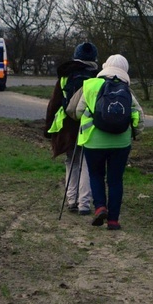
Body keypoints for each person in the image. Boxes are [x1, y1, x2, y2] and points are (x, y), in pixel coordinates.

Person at [67, 55, 144, 231]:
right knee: (115, 180)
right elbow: (139, 117)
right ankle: (113, 221)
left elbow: (76, 112)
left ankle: (100, 207)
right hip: (121, 143)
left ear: (104, 67)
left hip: (94, 142)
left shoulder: (90, 85)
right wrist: (135, 134)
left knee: (96, 175)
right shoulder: (127, 91)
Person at [45, 42, 100, 215]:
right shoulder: (97, 77)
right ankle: (84, 204)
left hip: (68, 125)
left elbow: (53, 104)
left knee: (71, 161)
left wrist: (48, 128)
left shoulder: (65, 76)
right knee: (86, 163)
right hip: (90, 125)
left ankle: (71, 200)